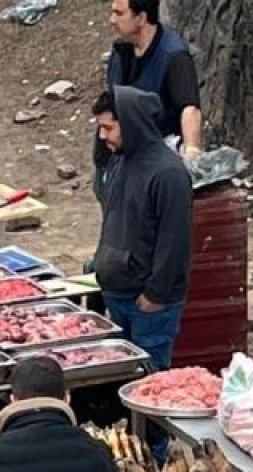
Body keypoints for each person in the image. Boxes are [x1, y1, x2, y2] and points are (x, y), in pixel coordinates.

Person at [91, 86, 193, 373]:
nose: (103, 136)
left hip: (148, 303)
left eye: (108, 128)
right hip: (117, 290)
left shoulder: (168, 174)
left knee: (149, 381)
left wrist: (155, 295)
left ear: (131, 124)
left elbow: (175, 241)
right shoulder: (120, 160)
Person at [93, 0, 202, 203]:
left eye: (119, 13)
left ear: (141, 18)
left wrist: (192, 155)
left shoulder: (174, 57)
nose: (111, 21)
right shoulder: (120, 52)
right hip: (113, 156)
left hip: (150, 164)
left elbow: (189, 108)